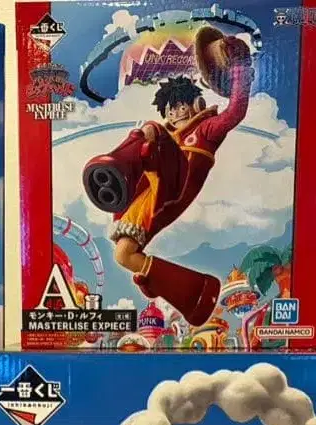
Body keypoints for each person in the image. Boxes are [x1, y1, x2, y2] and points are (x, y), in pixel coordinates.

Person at [82, 29, 253, 326]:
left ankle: (116, 169)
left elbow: (236, 111)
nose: (175, 112)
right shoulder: (169, 133)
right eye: (170, 108)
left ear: (196, 104)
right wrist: (150, 277)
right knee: (124, 255)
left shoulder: (206, 129)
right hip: (153, 194)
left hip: (177, 185)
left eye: (180, 105)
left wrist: (240, 66)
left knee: (150, 131)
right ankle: (194, 294)